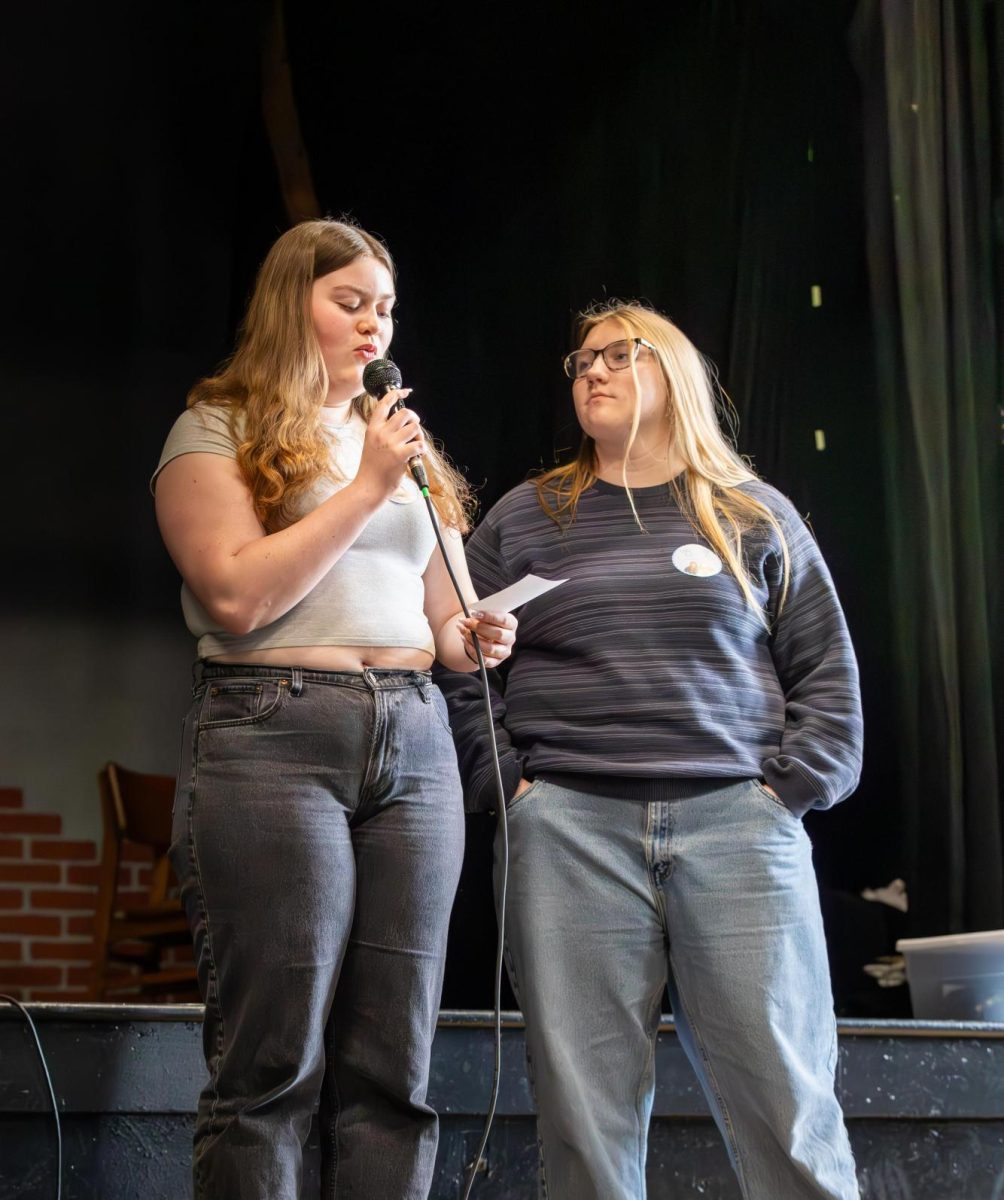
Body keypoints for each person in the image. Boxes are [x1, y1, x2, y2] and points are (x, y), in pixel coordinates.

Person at [437, 301, 863, 1199]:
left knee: (788, 1102)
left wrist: (784, 793)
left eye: (619, 355)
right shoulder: (524, 517)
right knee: (584, 1120)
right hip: (568, 831)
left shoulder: (751, 513)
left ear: (675, 372)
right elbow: (457, 662)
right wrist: (510, 786)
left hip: (739, 828)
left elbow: (826, 671)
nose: (592, 370)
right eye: (582, 359)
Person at [152, 218, 516, 1200]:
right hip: (273, 727)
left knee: (393, 1063)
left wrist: (475, 632)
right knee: (271, 1061)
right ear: (289, 304)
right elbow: (234, 598)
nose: (372, 323)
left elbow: (441, 612)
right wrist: (362, 487)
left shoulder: (400, 446)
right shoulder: (214, 429)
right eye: (348, 301)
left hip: (412, 731)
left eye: (384, 306)